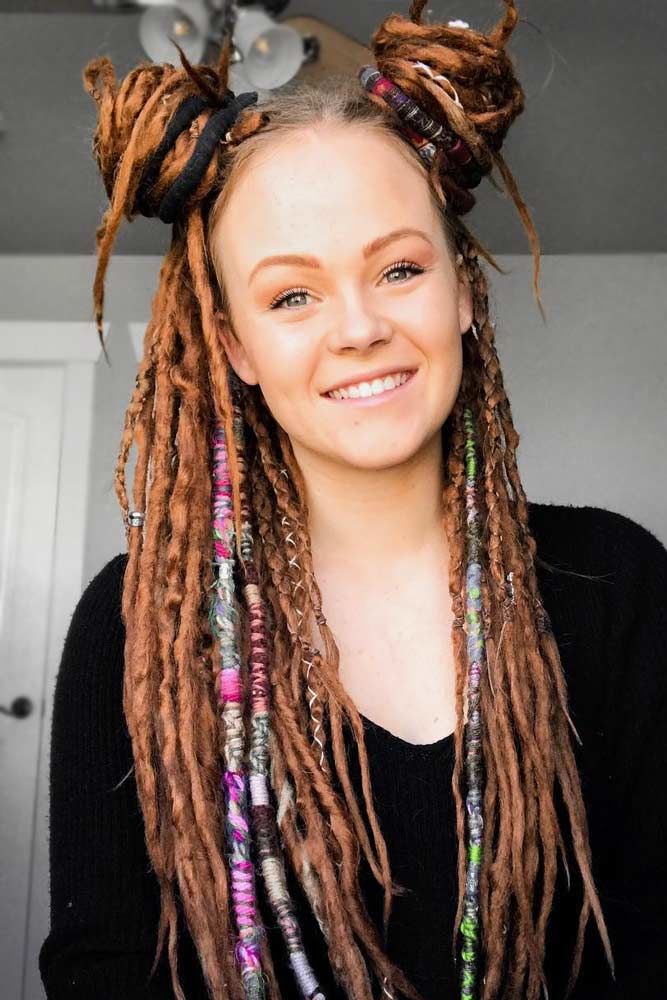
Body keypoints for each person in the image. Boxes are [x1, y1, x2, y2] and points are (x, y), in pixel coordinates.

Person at [39, 2, 667, 999]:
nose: (359, 327)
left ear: (462, 293)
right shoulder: (139, 619)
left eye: (399, 268)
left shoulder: (615, 582)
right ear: (235, 345)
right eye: (292, 295)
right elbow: (103, 964)